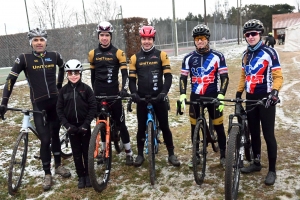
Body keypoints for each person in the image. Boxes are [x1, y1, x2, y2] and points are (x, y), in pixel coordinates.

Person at [0, 28, 71, 191]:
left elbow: (63, 67)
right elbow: (11, 80)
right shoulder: (24, 58)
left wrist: (59, 86)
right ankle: (47, 174)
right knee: (45, 140)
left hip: (55, 103)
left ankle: (58, 165)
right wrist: (4, 102)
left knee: (54, 135)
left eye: (41, 39)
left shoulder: (55, 55)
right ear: (31, 42)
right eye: (35, 40)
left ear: (46, 41)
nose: (39, 42)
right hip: (39, 105)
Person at [236, 19, 283, 186]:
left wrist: (275, 92)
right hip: (250, 97)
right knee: (253, 132)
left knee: (268, 134)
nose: (250, 37)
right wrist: (238, 94)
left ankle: (272, 170)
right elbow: (244, 77)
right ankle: (256, 162)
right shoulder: (245, 55)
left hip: (266, 98)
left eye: (254, 34)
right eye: (248, 34)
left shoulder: (270, 52)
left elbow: (278, 76)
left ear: (260, 34)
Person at [128, 25, 180, 167]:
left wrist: (164, 93)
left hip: (159, 97)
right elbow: (132, 80)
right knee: (140, 127)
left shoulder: (162, 55)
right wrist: (134, 93)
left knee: (164, 126)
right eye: (144, 39)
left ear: (153, 39)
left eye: (149, 39)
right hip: (142, 98)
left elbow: (168, 77)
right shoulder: (134, 58)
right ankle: (139, 155)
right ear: (141, 40)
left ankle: (171, 154)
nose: (146, 42)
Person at [179, 24, 229, 168]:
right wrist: (182, 95)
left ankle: (224, 154)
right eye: (196, 39)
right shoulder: (188, 58)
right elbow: (183, 78)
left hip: (213, 96)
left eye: (202, 38)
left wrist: (221, 95)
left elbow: (224, 77)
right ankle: (195, 154)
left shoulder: (218, 56)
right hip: (196, 97)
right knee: (194, 128)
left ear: (207, 39)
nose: (199, 41)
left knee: (219, 127)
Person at [88, 21, 133, 165]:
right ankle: (102, 150)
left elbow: (125, 75)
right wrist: (93, 94)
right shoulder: (92, 54)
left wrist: (124, 90)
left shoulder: (118, 53)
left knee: (121, 124)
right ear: (98, 36)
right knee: (101, 123)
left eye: (107, 35)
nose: (104, 38)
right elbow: (93, 76)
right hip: (99, 95)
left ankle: (128, 152)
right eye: (102, 35)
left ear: (111, 36)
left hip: (114, 95)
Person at [56, 59, 97, 188]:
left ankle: (89, 175)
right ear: (67, 74)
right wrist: (67, 125)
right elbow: (59, 110)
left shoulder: (86, 89)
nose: (73, 75)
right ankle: (81, 176)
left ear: (80, 73)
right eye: (70, 73)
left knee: (87, 152)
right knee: (77, 153)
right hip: (71, 127)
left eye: (76, 73)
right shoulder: (63, 91)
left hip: (84, 127)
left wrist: (86, 124)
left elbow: (92, 107)